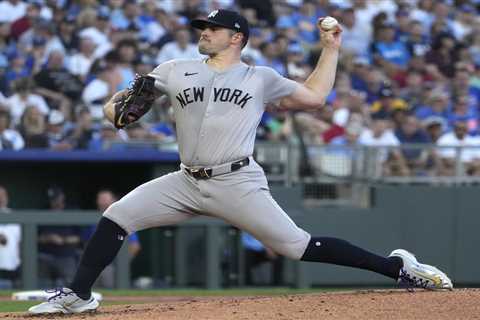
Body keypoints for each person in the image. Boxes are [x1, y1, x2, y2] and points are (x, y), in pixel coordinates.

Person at [29, 9, 452, 315]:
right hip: (184, 180)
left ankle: (398, 268)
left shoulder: (260, 77)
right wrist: (114, 106)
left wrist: (330, 49)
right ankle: (78, 296)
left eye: (213, 28)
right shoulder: (174, 69)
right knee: (117, 216)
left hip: (237, 180)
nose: (205, 33)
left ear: (237, 37)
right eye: (203, 28)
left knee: (295, 246)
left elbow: (316, 98)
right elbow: (117, 110)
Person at [81, 190, 141, 288]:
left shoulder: (123, 218)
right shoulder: (92, 220)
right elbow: (85, 242)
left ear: (114, 201)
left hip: (112, 263)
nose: (103, 202)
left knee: (109, 282)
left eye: (105, 199)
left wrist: (121, 264)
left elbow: (135, 246)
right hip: (93, 261)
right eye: (100, 199)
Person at [0, 185, 21, 289]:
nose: (1, 198)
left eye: (3, 195)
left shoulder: (15, 216)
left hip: (12, 268)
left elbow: (20, 243)